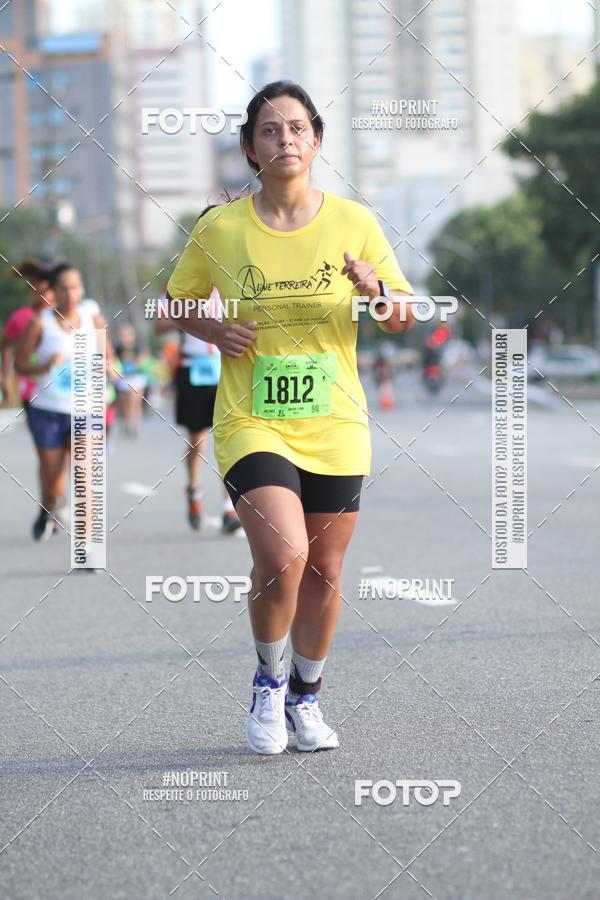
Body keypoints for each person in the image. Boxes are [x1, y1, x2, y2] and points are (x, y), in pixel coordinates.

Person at [166, 80, 415, 755]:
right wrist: (214, 332)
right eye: (270, 131)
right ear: (250, 147)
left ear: (316, 140)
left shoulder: (355, 221)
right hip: (253, 418)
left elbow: (402, 314)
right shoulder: (220, 226)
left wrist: (377, 290)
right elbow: (178, 302)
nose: (286, 141)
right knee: (284, 557)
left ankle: (308, 695)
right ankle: (268, 684)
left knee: (327, 570)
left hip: (335, 419)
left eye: (297, 129)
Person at [155, 211, 242, 533]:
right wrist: (195, 316)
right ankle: (193, 490)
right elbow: (161, 324)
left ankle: (229, 510)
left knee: (229, 438)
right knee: (198, 440)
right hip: (194, 369)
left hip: (227, 367)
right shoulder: (183, 277)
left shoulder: (235, 273)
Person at [15, 263, 113, 540]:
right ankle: (48, 507)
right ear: (53, 291)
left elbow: (110, 359)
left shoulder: (93, 320)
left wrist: (104, 365)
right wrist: (44, 364)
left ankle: (87, 543)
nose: (71, 293)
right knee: (54, 482)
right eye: (64, 288)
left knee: (84, 475)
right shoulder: (40, 323)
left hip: (85, 408)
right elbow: (20, 364)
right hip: (47, 409)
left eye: (76, 287)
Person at [1, 258, 54, 409]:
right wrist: (5, 376)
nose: (36, 292)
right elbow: (5, 345)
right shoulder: (21, 317)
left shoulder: (66, 317)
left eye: (44, 288)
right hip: (33, 392)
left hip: (64, 389)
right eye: (32, 287)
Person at [113, 323, 146, 437]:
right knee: (124, 403)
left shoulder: (137, 347)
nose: (126, 338)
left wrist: (138, 363)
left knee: (134, 400)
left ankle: (134, 424)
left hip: (136, 378)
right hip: (123, 379)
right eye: (123, 335)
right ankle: (124, 421)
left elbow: (142, 361)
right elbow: (113, 361)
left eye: (128, 335)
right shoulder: (118, 348)